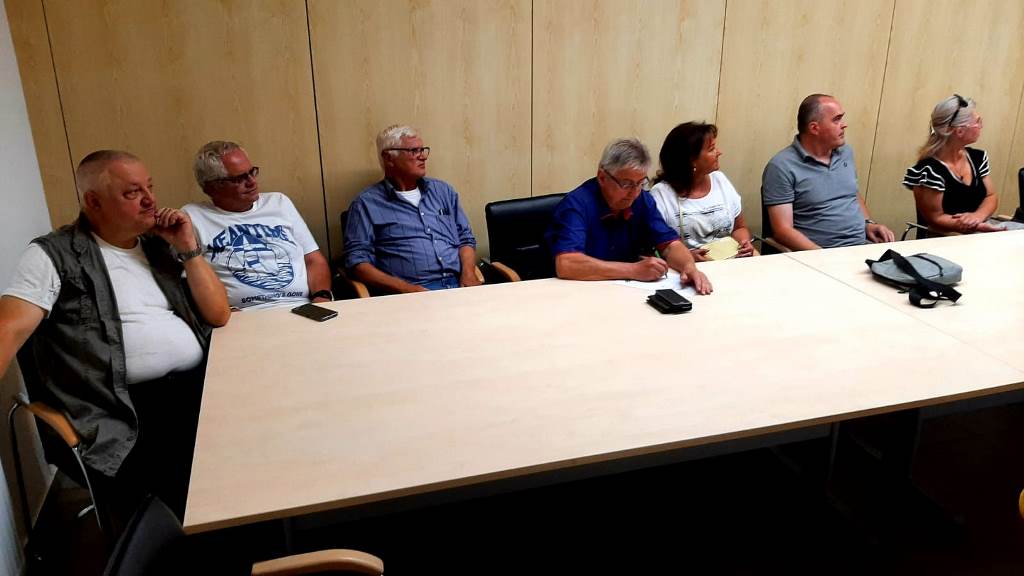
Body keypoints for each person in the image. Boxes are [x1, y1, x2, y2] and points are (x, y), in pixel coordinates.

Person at [0, 150, 229, 523]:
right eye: (132, 193)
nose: (150, 200)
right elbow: (8, 328)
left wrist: (189, 249)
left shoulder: (157, 247)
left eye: (150, 187)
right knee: (199, 488)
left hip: (196, 387)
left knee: (253, 447)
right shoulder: (54, 255)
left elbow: (218, 314)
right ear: (93, 202)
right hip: (121, 407)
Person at [544, 137, 712, 294]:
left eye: (640, 183)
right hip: (574, 291)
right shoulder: (577, 205)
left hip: (623, 291)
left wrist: (689, 267)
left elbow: (669, 245)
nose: (634, 192)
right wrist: (633, 270)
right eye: (626, 184)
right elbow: (567, 263)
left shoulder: (642, 200)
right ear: (602, 177)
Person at [184, 141, 333, 310]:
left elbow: (313, 260)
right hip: (243, 315)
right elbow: (184, 281)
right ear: (212, 188)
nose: (252, 182)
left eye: (252, 172)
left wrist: (321, 298)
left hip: (304, 307)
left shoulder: (279, 203)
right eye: (239, 178)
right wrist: (222, 313)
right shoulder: (192, 217)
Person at [344, 125, 481, 293]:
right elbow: (357, 263)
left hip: (459, 285)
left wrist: (468, 273)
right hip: (409, 293)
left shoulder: (443, 191)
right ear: (389, 158)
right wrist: (407, 289)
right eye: (414, 151)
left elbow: (465, 239)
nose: (422, 156)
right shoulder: (366, 204)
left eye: (422, 150)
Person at [762, 94, 895, 250]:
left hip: (861, 248)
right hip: (819, 253)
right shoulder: (781, 166)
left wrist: (868, 224)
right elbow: (783, 231)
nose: (844, 125)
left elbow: (851, 194)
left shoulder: (845, 152)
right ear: (814, 128)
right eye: (836, 120)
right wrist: (820, 255)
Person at [649, 122, 757, 260]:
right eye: (711, 149)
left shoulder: (720, 180)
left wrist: (743, 242)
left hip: (731, 262)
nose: (719, 152)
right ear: (691, 160)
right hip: (686, 267)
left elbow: (739, 228)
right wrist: (686, 257)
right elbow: (654, 249)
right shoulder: (661, 195)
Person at [902, 94, 1003, 236]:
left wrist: (977, 217)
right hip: (942, 239)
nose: (981, 126)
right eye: (978, 122)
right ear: (960, 131)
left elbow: (991, 196)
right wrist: (970, 225)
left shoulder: (978, 158)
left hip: (976, 233)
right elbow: (935, 218)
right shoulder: (930, 170)